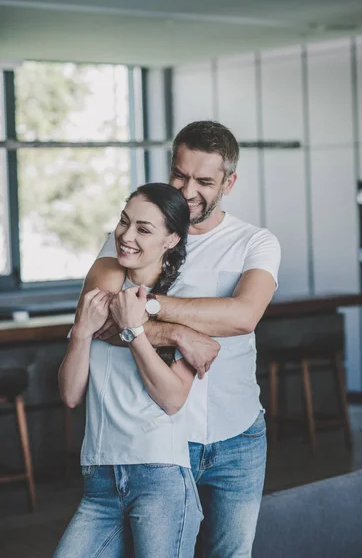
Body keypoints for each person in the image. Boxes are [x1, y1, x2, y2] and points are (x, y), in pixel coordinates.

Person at [83, 121, 281, 557]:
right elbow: (97, 318)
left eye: (204, 181)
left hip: (239, 437)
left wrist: (147, 308)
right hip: (162, 443)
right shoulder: (135, 236)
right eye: (180, 174)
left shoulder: (255, 243)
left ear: (229, 182)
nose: (188, 190)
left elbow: (244, 316)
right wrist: (178, 333)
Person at [54, 183, 210, 558]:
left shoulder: (188, 301)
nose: (125, 236)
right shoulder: (99, 293)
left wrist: (135, 331)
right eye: (124, 222)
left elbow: (173, 399)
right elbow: (70, 394)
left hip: (159, 475)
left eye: (144, 229)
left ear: (171, 239)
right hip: (100, 477)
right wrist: (82, 333)